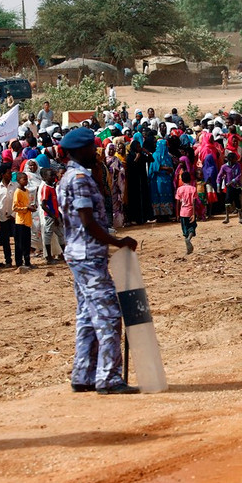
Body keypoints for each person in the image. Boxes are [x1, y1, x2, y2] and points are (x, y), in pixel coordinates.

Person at [57, 127, 139, 394]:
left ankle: (84, 374)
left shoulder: (69, 177)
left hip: (79, 253)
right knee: (109, 314)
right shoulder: (79, 178)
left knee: (86, 315)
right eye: (91, 148)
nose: (96, 152)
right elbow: (87, 221)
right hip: (88, 255)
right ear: (79, 151)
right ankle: (109, 377)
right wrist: (118, 242)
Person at [39, 168, 65, 264]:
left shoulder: (52, 187)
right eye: (51, 175)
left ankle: (66, 255)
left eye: (54, 175)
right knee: (48, 235)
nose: (53, 177)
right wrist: (53, 216)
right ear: (45, 177)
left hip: (56, 215)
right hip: (50, 216)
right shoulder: (46, 188)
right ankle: (48, 257)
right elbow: (43, 205)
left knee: (61, 234)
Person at [0, 164, 16, 267]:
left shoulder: (15, 186)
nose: (10, 174)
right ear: (2, 175)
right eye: (8, 173)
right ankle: (8, 260)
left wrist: (14, 214)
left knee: (17, 239)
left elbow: (17, 202)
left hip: (14, 217)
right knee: (5, 240)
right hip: (3, 218)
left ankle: (19, 260)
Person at [13, 172, 36, 268]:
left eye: (27, 179)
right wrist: (26, 208)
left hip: (27, 220)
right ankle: (19, 262)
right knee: (19, 243)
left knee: (27, 243)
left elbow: (27, 203)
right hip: (20, 221)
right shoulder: (17, 192)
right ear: (19, 180)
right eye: (24, 179)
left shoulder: (26, 191)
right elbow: (15, 207)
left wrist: (32, 207)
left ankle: (27, 262)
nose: (26, 181)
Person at [217, 151, 242, 224]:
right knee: (227, 201)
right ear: (230, 159)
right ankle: (227, 217)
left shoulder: (237, 165)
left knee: (237, 201)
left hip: (237, 186)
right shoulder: (224, 167)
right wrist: (218, 186)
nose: (236, 160)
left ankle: (240, 216)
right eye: (235, 159)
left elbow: (239, 175)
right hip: (229, 187)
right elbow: (219, 176)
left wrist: (232, 181)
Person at [175, 170, 198, 254]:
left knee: (185, 229)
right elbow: (194, 202)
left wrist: (177, 214)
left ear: (182, 180)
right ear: (190, 179)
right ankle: (189, 239)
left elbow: (178, 202)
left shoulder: (179, 189)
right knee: (192, 227)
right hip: (190, 211)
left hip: (182, 212)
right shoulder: (193, 189)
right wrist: (194, 213)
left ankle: (188, 247)